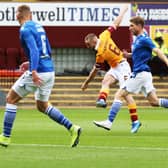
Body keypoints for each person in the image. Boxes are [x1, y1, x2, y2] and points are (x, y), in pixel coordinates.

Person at [0, 5, 81, 147]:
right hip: (49, 70)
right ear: (30, 15)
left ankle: (5, 137)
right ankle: (72, 128)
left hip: (39, 72)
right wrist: (36, 63)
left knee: (11, 99)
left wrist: (34, 70)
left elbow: (34, 50)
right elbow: (47, 49)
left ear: (18, 15)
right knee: (42, 106)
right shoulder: (39, 26)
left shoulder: (24, 29)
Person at [93, 16, 168, 131]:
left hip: (140, 73)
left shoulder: (144, 39)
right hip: (145, 74)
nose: (129, 28)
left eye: (132, 26)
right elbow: (139, 53)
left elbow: (157, 51)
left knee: (119, 94)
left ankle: (109, 122)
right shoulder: (137, 39)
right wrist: (128, 55)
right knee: (154, 101)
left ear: (139, 26)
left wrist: (167, 62)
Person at [81, 6, 141, 133]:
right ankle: (102, 100)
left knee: (125, 94)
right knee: (105, 81)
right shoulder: (104, 35)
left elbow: (94, 72)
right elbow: (116, 23)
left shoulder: (99, 54)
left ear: (92, 41)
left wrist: (86, 83)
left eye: (88, 44)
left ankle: (135, 121)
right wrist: (123, 12)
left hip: (123, 66)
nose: (88, 47)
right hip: (115, 67)